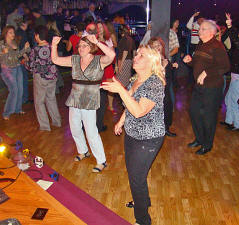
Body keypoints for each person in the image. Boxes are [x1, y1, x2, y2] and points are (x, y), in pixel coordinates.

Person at [101, 45, 165, 225]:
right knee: (135, 174)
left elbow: (138, 111)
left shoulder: (154, 84)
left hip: (149, 138)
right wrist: (121, 122)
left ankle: (143, 220)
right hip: (132, 133)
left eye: (141, 55)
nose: (135, 57)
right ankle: (142, 202)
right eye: (136, 54)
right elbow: (130, 104)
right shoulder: (135, 78)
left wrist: (120, 90)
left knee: (136, 179)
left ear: (152, 62)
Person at [51, 34, 115, 172]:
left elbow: (111, 55)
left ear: (91, 47)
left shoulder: (99, 60)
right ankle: (83, 151)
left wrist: (97, 42)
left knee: (91, 131)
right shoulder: (74, 59)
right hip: (75, 98)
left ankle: (101, 161)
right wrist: (54, 45)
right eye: (79, 45)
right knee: (74, 128)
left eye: (84, 45)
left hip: (90, 99)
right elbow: (55, 59)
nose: (81, 48)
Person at [183, 20, 230, 155]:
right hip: (199, 87)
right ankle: (199, 139)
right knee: (194, 112)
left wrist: (207, 72)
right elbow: (198, 64)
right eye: (200, 28)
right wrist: (190, 61)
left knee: (208, 117)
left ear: (211, 32)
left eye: (203, 29)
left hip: (212, 87)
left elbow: (225, 66)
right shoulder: (201, 44)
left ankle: (207, 144)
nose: (199, 31)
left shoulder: (217, 46)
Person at [26, 25, 61, 131]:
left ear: (37, 36)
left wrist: (25, 61)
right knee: (51, 98)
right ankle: (57, 121)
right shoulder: (52, 46)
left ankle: (45, 126)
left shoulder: (35, 49)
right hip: (52, 77)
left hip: (41, 78)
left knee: (39, 101)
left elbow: (30, 66)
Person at [148, 36, 177, 137]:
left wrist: (171, 66)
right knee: (160, 109)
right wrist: (164, 67)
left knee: (168, 107)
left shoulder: (163, 56)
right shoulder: (152, 59)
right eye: (154, 46)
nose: (157, 47)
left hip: (166, 87)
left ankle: (165, 128)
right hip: (159, 89)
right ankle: (161, 130)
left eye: (159, 44)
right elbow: (154, 75)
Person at [0, 25, 30, 120]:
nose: (13, 34)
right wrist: (3, 53)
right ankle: (6, 112)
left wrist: (25, 50)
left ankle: (17, 109)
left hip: (17, 68)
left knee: (20, 89)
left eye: (13, 32)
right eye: (10, 32)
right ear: (5, 33)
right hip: (8, 70)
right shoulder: (2, 44)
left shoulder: (14, 43)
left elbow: (17, 55)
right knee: (14, 91)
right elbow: (5, 56)